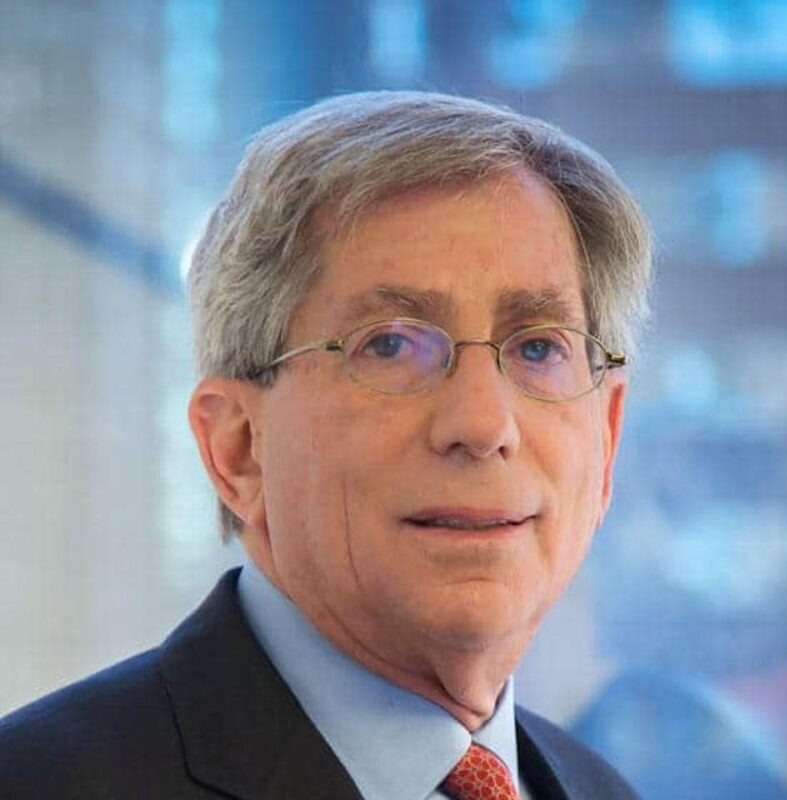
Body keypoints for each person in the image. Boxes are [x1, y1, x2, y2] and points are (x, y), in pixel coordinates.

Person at [0, 91, 651, 799]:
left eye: (538, 348)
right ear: (238, 448)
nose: (484, 425)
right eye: (391, 345)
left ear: (607, 438)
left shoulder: (600, 788)